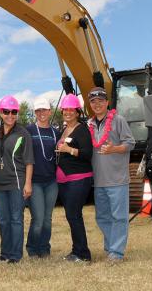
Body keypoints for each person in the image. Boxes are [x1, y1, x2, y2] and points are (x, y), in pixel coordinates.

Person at [88, 87, 135, 264]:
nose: (97, 104)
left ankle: (116, 252)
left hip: (117, 179)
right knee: (102, 217)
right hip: (98, 180)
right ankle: (111, 247)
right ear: (90, 104)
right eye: (93, 101)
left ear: (107, 102)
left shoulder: (118, 120)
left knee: (119, 217)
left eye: (101, 100)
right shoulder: (89, 124)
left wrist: (114, 148)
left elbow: (130, 143)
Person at [0, 95, 34, 264]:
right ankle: (5, 253)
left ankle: (15, 255)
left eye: (13, 112)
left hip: (17, 184)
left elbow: (29, 161)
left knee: (16, 219)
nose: (10, 115)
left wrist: (28, 184)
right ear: (0, 113)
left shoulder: (23, 133)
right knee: (2, 220)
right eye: (6, 111)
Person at [55, 94, 94, 263]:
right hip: (64, 180)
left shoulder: (82, 129)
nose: (68, 112)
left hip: (78, 178)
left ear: (78, 112)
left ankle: (83, 254)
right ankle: (76, 250)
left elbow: (87, 154)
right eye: (65, 109)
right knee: (71, 215)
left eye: (72, 109)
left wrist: (69, 150)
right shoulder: (63, 129)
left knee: (74, 215)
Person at [25, 97, 60, 258]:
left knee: (47, 218)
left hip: (52, 181)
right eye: (38, 111)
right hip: (35, 181)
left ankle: (44, 248)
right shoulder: (29, 131)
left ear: (49, 111)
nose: (41, 113)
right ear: (35, 113)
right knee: (38, 218)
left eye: (44, 110)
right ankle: (32, 249)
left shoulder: (56, 133)